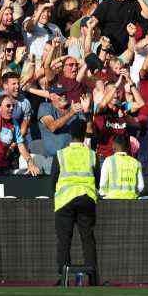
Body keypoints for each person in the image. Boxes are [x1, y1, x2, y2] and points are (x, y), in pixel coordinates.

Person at [51, 119, 98, 286]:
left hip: (65, 201)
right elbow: (97, 179)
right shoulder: (91, 154)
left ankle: (63, 279)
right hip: (87, 198)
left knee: (64, 239)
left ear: (70, 134)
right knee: (87, 238)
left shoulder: (60, 154)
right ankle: (93, 278)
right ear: (84, 133)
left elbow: (53, 180)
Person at [98, 134, 143, 200]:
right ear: (128, 147)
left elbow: (102, 185)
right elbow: (141, 187)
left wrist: (102, 195)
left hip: (111, 202)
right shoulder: (136, 163)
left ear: (113, 146)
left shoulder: (108, 161)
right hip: (131, 202)